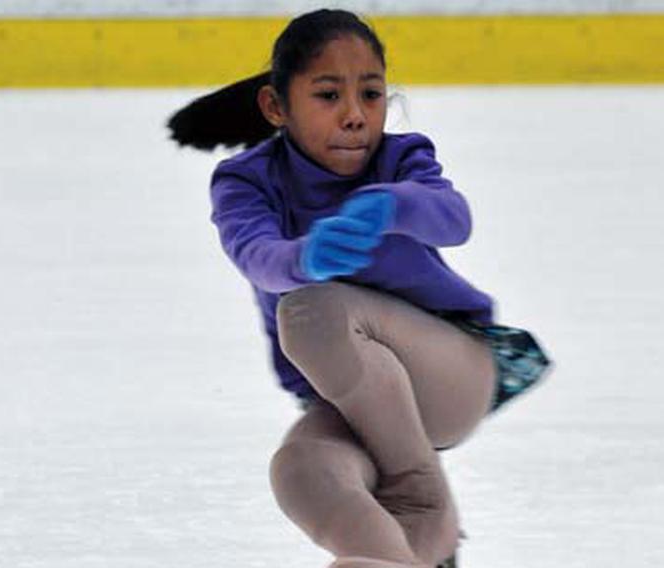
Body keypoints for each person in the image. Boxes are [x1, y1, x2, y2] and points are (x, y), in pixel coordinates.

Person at [167, 9, 552, 568]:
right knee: (300, 470)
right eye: (328, 96)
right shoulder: (246, 181)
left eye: (371, 96)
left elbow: (453, 218)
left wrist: (396, 204)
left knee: (311, 310)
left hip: (448, 372)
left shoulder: (399, 158)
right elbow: (257, 257)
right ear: (277, 106)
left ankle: (420, 494)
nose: (354, 116)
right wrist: (305, 256)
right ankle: (408, 554)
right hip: (352, 397)